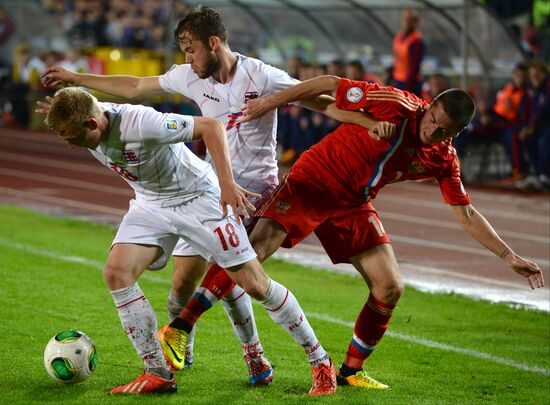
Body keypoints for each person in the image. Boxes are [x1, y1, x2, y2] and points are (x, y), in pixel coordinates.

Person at [41, 5, 369, 393]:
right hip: (160, 199)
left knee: (246, 280)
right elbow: (133, 86)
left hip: (233, 191)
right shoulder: (186, 77)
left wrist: (364, 121)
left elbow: (313, 99)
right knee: (156, 278)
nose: (186, 58)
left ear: (213, 43)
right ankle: (162, 369)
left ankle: (313, 358)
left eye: (190, 49)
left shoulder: (258, 76)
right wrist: (75, 82)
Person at [232, 75, 541, 388]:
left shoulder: (444, 159)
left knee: (390, 286)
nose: (432, 131)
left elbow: (466, 213)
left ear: (457, 133)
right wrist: (270, 102)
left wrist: (507, 255)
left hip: (353, 202)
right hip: (317, 178)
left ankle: (351, 371)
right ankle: (183, 326)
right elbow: (328, 83)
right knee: (250, 255)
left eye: (444, 131)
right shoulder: (396, 104)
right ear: (429, 105)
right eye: (433, 120)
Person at [390, 8, 424, 96]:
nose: (407, 22)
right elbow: (396, 60)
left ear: (415, 22)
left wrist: (407, 87)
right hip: (398, 80)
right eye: (406, 19)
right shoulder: (398, 37)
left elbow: (414, 66)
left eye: (411, 20)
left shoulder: (416, 40)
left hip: (410, 83)